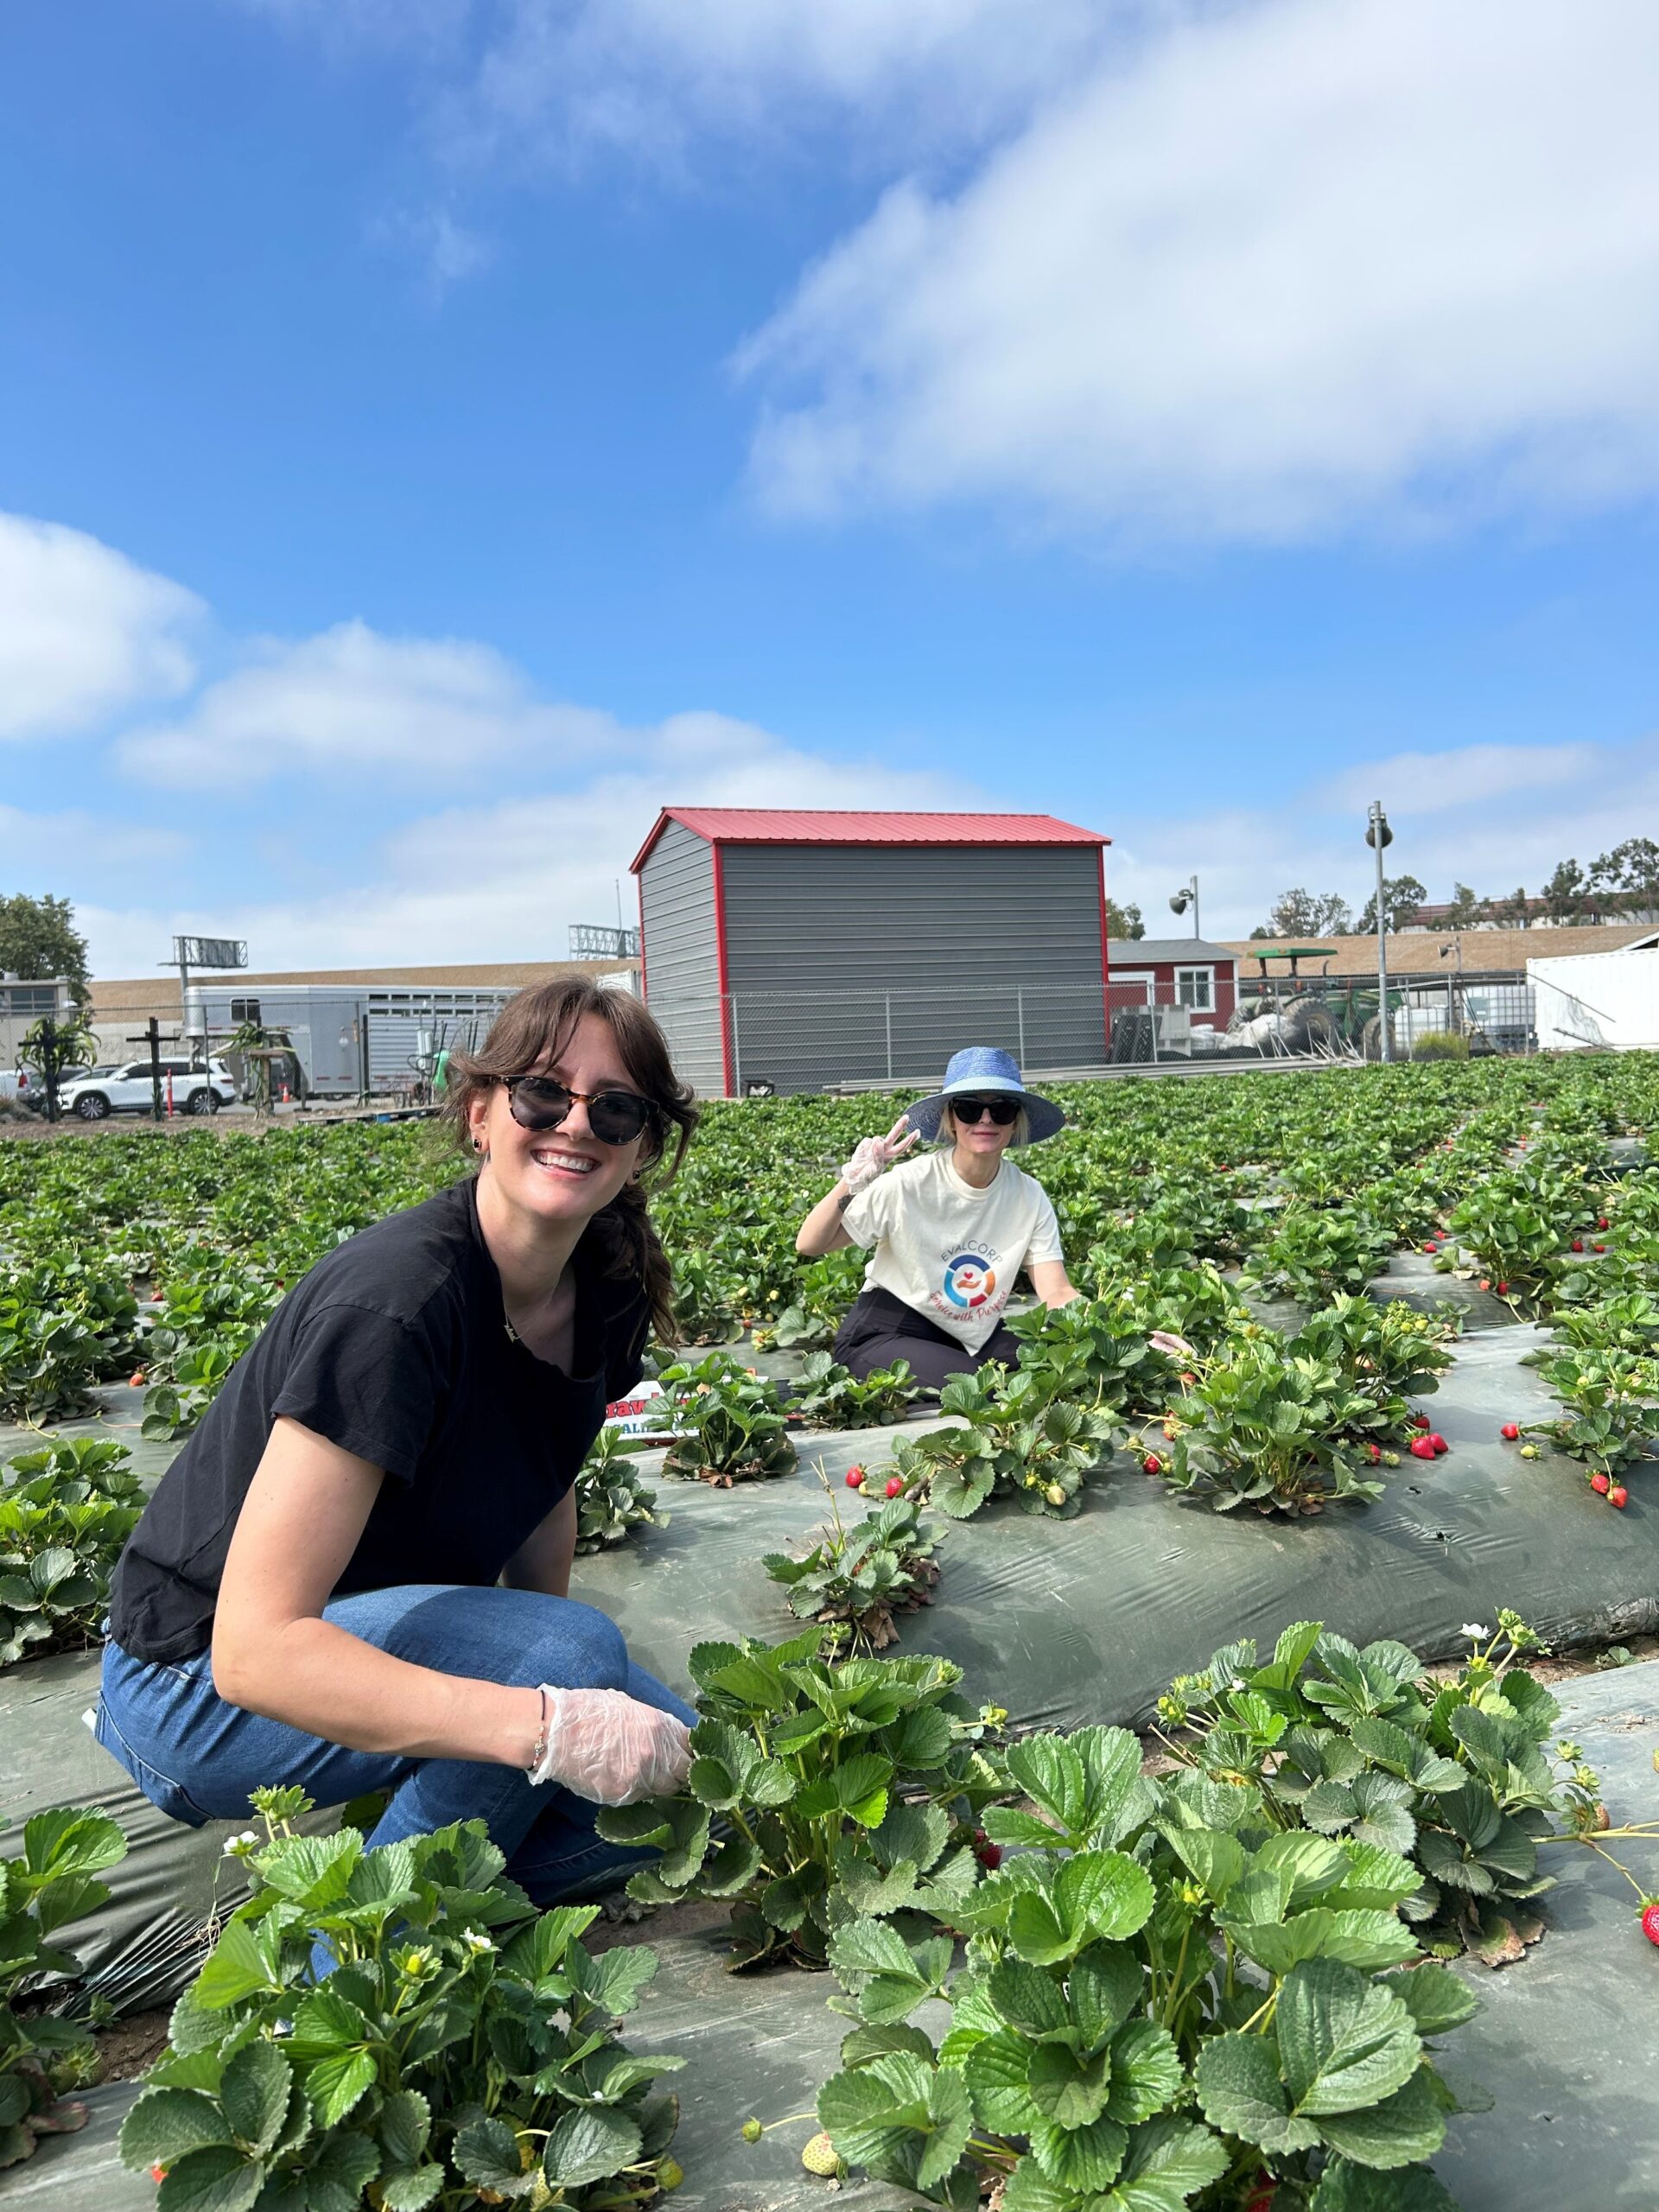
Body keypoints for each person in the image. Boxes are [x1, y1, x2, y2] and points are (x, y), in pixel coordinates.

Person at [96, 979, 698, 1907]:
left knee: (694, 1797)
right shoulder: (395, 1306)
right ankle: (351, 1971)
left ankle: (429, 1884)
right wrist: (542, 1710)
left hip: (374, 1633)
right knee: (565, 1663)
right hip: (196, 1686)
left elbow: (546, 1475)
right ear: (479, 1115)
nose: (578, 1124)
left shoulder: (605, 1279)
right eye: (544, 1094)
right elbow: (253, 1651)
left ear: (643, 1142)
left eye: (616, 1107)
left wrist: (549, 1662)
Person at [797, 1046, 1077, 1392]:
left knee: (1058, 1369)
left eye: (1001, 1110)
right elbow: (810, 1244)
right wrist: (852, 1182)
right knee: (984, 1389)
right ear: (951, 1120)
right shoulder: (909, 1183)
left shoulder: (1028, 1195)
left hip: (967, 1334)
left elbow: (1057, 1290)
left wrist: (1118, 1330)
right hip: (888, 1331)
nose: (985, 1120)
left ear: (1015, 1120)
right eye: (969, 1109)